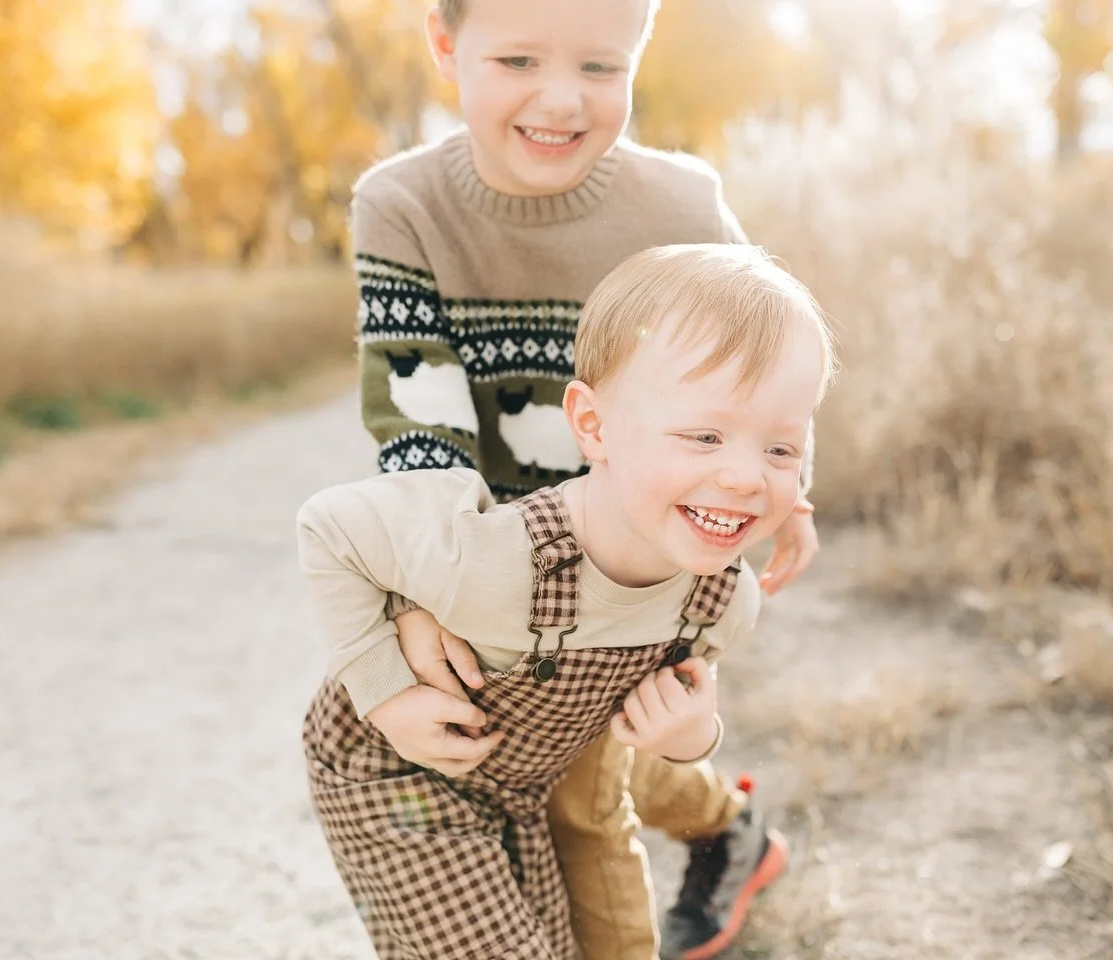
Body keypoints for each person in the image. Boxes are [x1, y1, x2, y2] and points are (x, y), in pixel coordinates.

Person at [349, 0, 821, 955]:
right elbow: (419, 420)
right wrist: (419, 592)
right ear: (446, 45)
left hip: (647, 551)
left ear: (639, 54)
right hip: (493, 559)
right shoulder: (401, 206)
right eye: (517, 57)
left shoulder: (680, 205)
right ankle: (730, 828)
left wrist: (790, 489)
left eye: (602, 68)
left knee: (581, 798)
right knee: (555, 736)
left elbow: (760, 364)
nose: (560, 100)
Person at [300, 243, 836, 959]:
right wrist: (384, 690)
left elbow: (644, 726)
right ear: (592, 426)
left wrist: (691, 738)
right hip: (395, 777)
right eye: (704, 435)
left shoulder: (720, 603)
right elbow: (330, 527)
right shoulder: (497, 559)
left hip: (522, 790)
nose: (743, 476)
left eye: (780, 450)